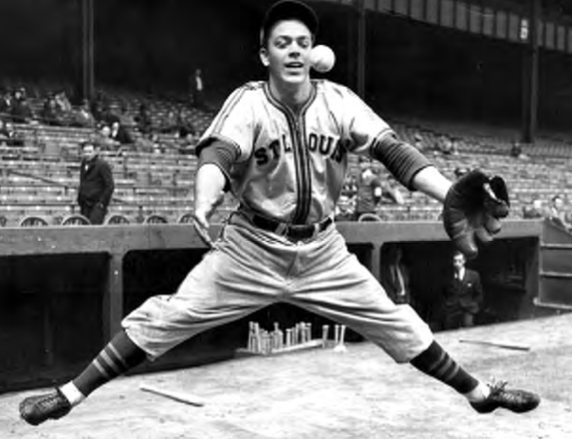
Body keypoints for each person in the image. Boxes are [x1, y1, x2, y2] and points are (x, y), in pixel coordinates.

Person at [19, 0, 539, 427]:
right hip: (251, 247)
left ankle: (477, 392)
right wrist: (205, 197)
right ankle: (70, 394)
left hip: (323, 250)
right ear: (264, 54)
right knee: (169, 316)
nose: (294, 49)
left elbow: (393, 151)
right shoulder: (247, 103)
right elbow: (217, 156)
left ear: (314, 53)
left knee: (397, 322)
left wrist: (446, 189)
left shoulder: (339, 101)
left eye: (302, 42)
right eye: (282, 42)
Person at [442, 251, 483, 330]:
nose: (457, 263)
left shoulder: (473, 275)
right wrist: (447, 304)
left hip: (468, 308)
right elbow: (443, 293)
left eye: (459, 261)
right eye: (455, 261)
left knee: (468, 327)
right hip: (452, 309)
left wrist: (474, 306)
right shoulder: (448, 276)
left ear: (464, 261)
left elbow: (479, 293)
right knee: (449, 330)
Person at [76, 141, 115, 225]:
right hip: (84, 204)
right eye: (85, 152)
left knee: (93, 229)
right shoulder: (83, 164)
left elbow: (110, 186)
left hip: (96, 204)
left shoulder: (102, 165)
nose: (87, 154)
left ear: (95, 152)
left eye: (90, 152)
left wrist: (102, 203)